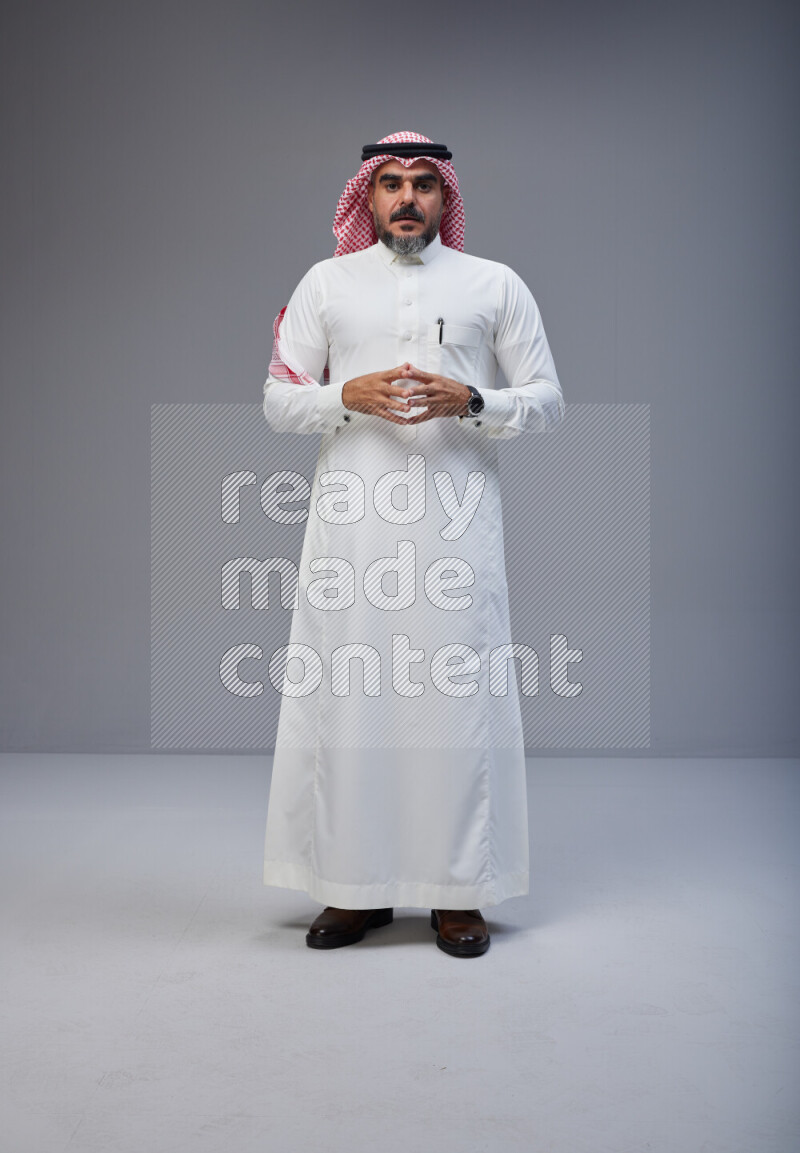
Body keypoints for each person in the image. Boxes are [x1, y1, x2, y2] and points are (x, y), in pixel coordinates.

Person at [261, 131, 564, 957]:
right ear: (366, 196)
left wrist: (472, 398)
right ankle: (351, 890)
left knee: (454, 707)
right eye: (390, 183)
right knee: (351, 703)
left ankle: (457, 894)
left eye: (424, 184)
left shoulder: (493, 285)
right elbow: (277, 402)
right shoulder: (327, 283)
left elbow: (547, 400)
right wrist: (341, 395)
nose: (406, 198)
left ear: (444, 196)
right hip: (351, 532)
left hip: (456, 530)